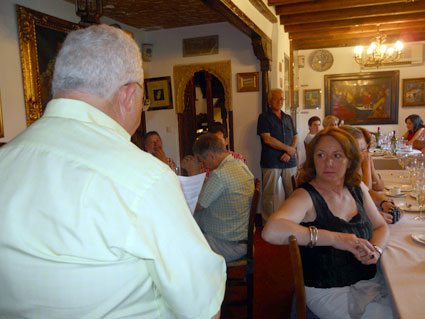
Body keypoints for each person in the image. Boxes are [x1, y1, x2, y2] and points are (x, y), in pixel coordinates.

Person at [0, 25, 225, 318]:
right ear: (129, 95)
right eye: (143, 100)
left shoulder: (6, 158)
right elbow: (203, 306)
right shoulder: (145, 177)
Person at [262, 127, 392, 319]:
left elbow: (381, 226)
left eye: (337, 155)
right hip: (329, 290)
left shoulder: (356, 188)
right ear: (313, 159)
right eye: (321, 155)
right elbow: (270, 231)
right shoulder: (306, 195)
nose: (328, 163)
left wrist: (376, 250)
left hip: (368, 282)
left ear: (350, 160)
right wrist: (334, 238)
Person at [181, 134, 254, 262]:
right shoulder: (239, 165)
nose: (204, 165)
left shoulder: (220, 175)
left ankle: (202, 278)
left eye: (203, 161)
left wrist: (193, 173)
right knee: (190, 224)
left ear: (211, 156)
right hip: (240, 237)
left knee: (181, 242)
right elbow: (211, 187)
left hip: (227, 245)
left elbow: (194, 206)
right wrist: (197, 173)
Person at [341, 126, 400, 224]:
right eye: (356, 151)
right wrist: (366, 166)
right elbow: (364, 192)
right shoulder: (341, 170)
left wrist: (384, 202)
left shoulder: (362, 159)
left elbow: (379, 187)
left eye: (363, 149)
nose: (361, 155)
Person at [257, 88, 298, 222]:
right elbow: (267, 139)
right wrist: (289, 149)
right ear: (269, 101)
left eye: (281, 98)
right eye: (276, 98)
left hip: (289, 161)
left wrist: (289, 152)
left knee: (293, 194)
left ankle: (291, 221)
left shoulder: (288, 118)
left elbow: (296, 136)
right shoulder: (263, 117)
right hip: (271, 161)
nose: (279, 101)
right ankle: (267, 223)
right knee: (269, 194)